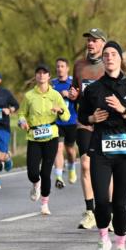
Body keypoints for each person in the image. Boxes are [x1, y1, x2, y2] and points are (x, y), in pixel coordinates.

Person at [80, 41, 126, 250]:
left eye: (113, 54)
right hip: (100, 150)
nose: (109, 58)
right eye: (106, 54)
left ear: (120, 59)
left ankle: (121, 247)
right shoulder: (93, 89)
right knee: (101, 201)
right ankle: (103, 241)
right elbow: (82, 117)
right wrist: (91, 119)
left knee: (119, 203)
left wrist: (122, 110)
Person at [18, 63, 68, 215]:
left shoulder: (55, 95)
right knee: (33, 173)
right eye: (38, 73)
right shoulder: (29, 96)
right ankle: (35, 183)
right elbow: (21, 114)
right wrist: (22, 122)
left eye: (44, 73)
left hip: (51, 136)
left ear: (48, 76)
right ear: (35, 76)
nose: (41, 75)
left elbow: (66, 117)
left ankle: (44, 203)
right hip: (34, 137)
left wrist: (60, 110)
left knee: (46, 173)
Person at [73, 28, 107, 229]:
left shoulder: (109, 64)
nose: (90, 43)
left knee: (106, 167)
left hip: (106, 123)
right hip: (85, 121)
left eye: (94, 40)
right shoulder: (79, 66)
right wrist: (73, 95)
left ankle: (108, 212)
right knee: (85, 165)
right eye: (88, 40)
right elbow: (77, 93)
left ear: (103, 43)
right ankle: (90, 211)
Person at [51, 57, 78, 189]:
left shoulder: (73, 82)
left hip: (71, 120)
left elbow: (80, 97)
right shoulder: (52, 84)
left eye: (62, 66)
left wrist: (71, 95)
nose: (59, 69)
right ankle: (59, 176)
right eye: (57, 66)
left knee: (70, 150)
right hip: (57, 122)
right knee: (58, 148)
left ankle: (72, 166)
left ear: (67, 68)